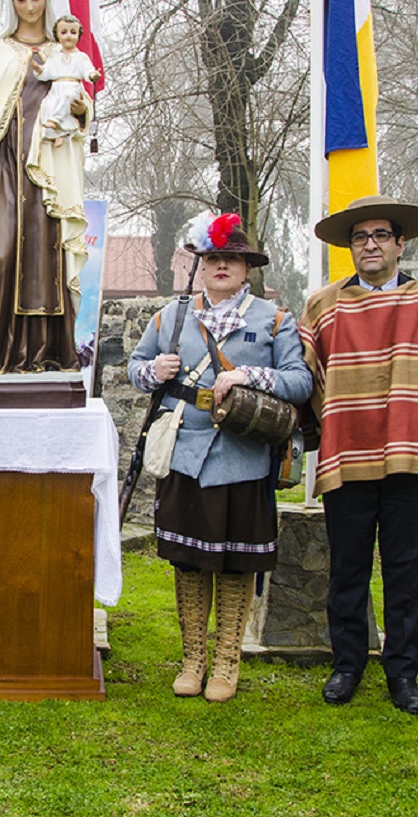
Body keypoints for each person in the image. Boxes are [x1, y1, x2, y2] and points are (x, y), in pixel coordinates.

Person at [299, 194, 418, 715]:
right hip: (349, 453)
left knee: (408, 571)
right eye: (360, 237)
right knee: (347, 568)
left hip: (414, 453)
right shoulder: (324, 305)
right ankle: (347, 665)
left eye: (381, 235)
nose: (370, 245)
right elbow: (309, 378)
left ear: (400, 243)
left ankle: (402, 672)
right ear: (349, 246)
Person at [128, 212, 311, 701]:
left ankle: (226, 666)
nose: (222, 266)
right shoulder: (170, 317)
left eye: (233, 258)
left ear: (248, 268)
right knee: (189, 562)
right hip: (185, 456)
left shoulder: (274, 320)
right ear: (202, 265)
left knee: (234, 564)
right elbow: (135, 367)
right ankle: (192, 661)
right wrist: (155, 370)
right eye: (214, 258)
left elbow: (300, 382)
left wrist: (250, 376)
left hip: (244, 457)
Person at [0, 0, 90, 375]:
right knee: (1, 252)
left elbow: (79, 105)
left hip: (46, 169)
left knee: (47, 258)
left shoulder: (61, 52)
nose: (29, 7)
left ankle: (52, 354)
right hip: (3, 167)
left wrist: (83, 111)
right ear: (11, 4)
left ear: (46, 0)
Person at [37, 15, 101, 145]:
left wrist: (93, 75)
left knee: (68, 98)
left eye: (73, 32)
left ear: (78, 35)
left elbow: (87, 71)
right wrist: (38, 70)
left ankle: (57, 123)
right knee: (49, 105)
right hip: (56, 88)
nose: (68, 36)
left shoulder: (81, 57)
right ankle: (57, 135)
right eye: (64, 32)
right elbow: (46, 72)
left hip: (72, 86)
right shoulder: (54, 57)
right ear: (57, 35)